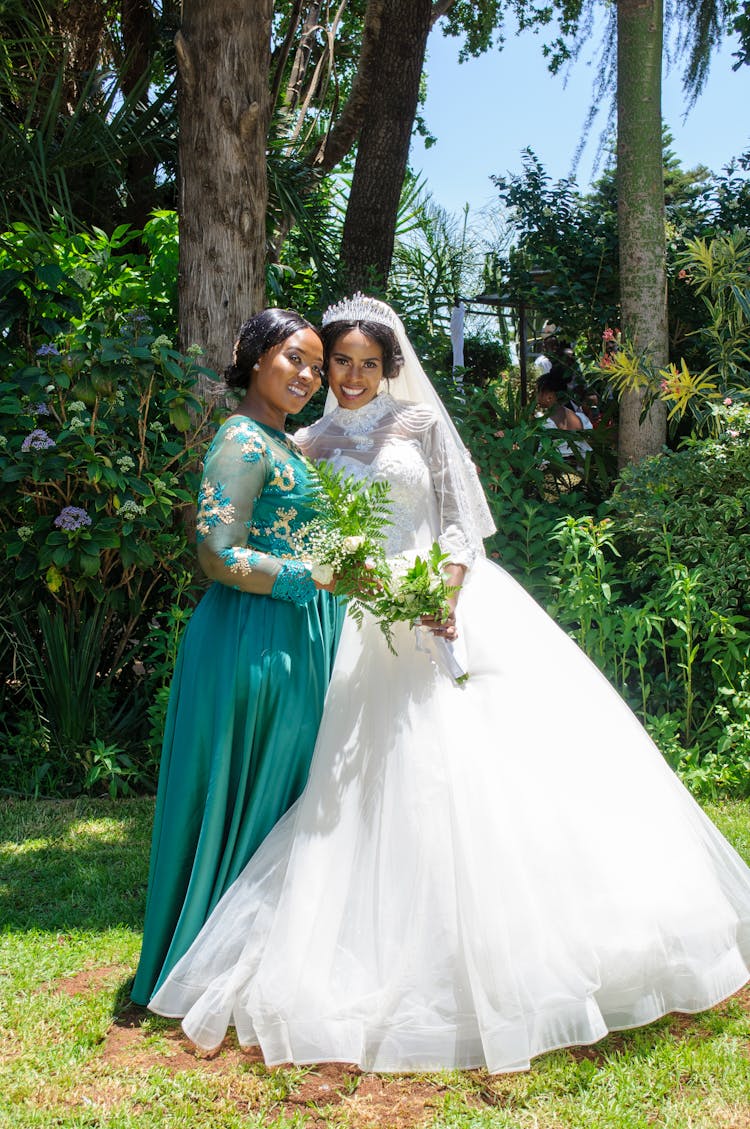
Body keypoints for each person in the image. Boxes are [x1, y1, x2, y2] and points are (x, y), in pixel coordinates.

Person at [148, 295, 750, 1074]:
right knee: (362, 787)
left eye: (368, 363)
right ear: (323, 367)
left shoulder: (424, 427)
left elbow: (464, 521)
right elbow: (286, 527)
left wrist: (447, 590)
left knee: (489, 772)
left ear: (390, 367)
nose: (352, 375)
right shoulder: (302, 439)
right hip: (356, 617)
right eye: (339, 362)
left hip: (445, 606)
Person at [130, 309, 344, 1007]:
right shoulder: (243, 440)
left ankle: (259, 962)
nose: (309, 376)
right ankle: (208, 962)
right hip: (250, 639)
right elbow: (216, 553)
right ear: (254, 358)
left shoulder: (290, 446)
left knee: (283, 795)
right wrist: (305, 576)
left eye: (317, 366)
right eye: (294, 359)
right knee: (248, 793)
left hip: (295, 636)